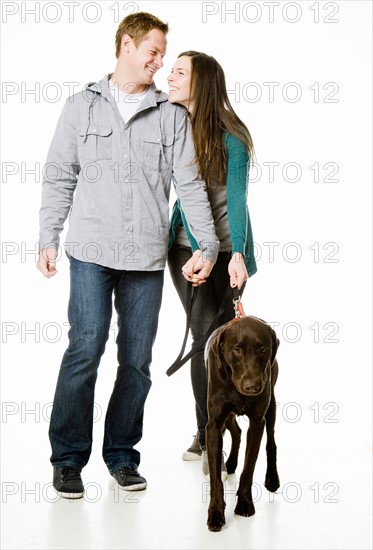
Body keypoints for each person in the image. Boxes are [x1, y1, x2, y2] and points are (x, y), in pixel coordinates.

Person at [36, 15, 220, 499]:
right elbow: (59, 175)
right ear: (126, 44)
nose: (161, 63)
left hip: (144, 258)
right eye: (154, 52)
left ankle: (121, 456)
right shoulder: (81, 107)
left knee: (136, 362)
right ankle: (68, 460)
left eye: (164, 55)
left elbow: (191, 186)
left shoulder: (171, 116)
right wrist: (47, 236)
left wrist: (209, 244)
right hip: (90, 253)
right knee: (85, 348)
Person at [167, 51, 257, 476]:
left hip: (228, 251)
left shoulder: (231, 137)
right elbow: (184, 198)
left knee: (226, 339)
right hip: (186, 248)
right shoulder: (169, 123)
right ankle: (209, 435)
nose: (170, 77)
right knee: (204, 337)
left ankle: (217, 424)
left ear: (200, 83)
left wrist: (235, 250)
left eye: (180, 73)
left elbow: (236, 198)